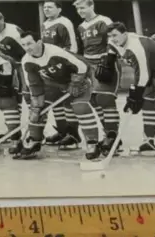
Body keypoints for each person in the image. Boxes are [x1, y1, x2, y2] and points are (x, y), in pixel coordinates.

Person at [106, 22, 155, 161]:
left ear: (125, 34)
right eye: (110, 35)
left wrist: (134, 96)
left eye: (115, 35)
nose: (112, 38)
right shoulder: (113, 42)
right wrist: (109, 59)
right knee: (147, 104)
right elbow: (113, 50)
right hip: (150, 71)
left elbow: (143, 75)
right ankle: (149, 141)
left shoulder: (136, 46)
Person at [17, 31, 102, 160]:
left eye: (29, 43)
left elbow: (82, 66)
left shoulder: (55, 52)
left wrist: (76, 83)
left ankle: (92, 143)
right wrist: (36, 107)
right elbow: (35, 86)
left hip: (79, 79)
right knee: (38, 110)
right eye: (23, 45)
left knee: (80, 107)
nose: (27, 48)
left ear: (39, 42)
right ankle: (34, 141)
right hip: (55, 84)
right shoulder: (26, 61)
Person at [73, 0, 122, 156]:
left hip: (104, 62)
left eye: (83, 8)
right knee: (93, 100)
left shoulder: (103, 21)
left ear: (91, 6)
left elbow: (113, 41)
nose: (80, 11)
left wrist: (109, 59)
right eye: (78, 9)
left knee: (105, 99)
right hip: (89, 64)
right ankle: (109, 134)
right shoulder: (81, 26)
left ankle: (112, 136)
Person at [40, 1, 79, 146]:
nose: (46, 9)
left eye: (50, 7)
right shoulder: (45, 24)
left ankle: (73, 134)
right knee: (56, 100)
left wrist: (67, 65)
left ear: (59, 9)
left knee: (68, 101)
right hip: (51, 67)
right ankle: (62, 131)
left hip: (64, 66)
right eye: (44, 7)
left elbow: (72, 45)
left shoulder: (64, 22)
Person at [0, 10, 27, 139]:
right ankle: (13, 129)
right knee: (10, 97)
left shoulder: (14, 33)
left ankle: (30, 131)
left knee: (23, 96)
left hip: (21, 66)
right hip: (7, 66)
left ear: (2, 20)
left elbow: (28, 52)